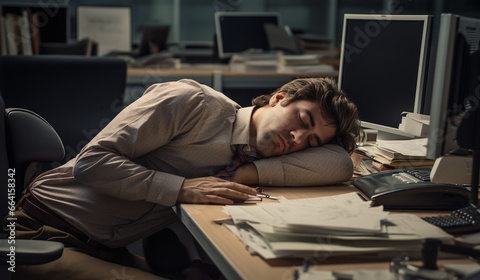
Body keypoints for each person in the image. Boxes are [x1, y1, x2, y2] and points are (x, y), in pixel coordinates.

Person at [3, 77, 360, 279]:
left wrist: (249, 171)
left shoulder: (246, 155)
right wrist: (182, 188)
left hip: (106, 247)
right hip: (35, 235)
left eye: (310, 142)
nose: (298, 140)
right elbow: (92, 163)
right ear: (279, 98)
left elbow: (340, 164)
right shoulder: (192, 103)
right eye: (302, 120)